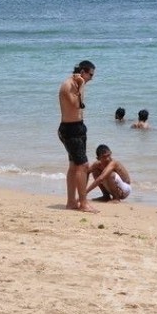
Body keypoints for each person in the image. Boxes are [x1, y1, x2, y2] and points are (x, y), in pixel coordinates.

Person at [58, 60, 98, 213]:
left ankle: (71, 202)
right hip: (69, 129)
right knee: (83, 166)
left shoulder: (79, 84)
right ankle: (83, 203)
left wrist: (81, 85)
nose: (91, 78)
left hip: (79, 127)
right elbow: (75, 104)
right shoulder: (68, 85)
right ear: (82, 72)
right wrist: (81, 85)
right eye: (90, 75)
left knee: (75, 166)